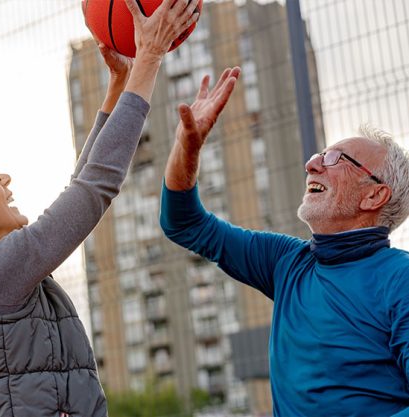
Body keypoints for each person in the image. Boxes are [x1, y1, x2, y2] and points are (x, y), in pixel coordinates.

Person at [0, 1, 201, 416]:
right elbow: (94, 188)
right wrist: (149, 57)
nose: (5, 180)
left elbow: (82, 186)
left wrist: (118, 87)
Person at [159, 67, 409, 416]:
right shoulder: (287, 261)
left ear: (374, 195)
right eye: (318, 155)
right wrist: (187, 148)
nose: (311, 164)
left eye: (335, 159)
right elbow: (184, 224)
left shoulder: (401, 279)